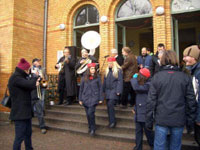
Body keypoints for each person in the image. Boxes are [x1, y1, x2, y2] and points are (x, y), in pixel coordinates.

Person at [146, 50, 197, 150]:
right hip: (178, 119)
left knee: (160, 147)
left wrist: (149, 121)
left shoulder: (157, 77)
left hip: (162, 118)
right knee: (175, 147)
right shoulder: (185, 77)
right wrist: (190, 122)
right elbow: (191, 101)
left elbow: (151, 101)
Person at [8, 58, 39, 150]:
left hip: (25, 112)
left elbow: (28, 87)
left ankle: (29, 148)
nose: (30, 70)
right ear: (25, 69)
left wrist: (34, 81)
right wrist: (34, 76)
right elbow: (29, 85)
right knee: (19, 136)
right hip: (20, 112)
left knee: (28, 133)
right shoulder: (16, 78)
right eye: (29, 69)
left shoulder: (21, 77)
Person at [130, 68, 154, 150]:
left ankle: (153, 145)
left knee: (148, 131)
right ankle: (138, 147)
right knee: (138, 131)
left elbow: (136, 87)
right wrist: (135, 107)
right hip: (139, 110)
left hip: (145, 111)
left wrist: (133, 78)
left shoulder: (149, 84)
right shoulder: (144, 83)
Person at [79, 63, 104, 136]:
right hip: (85, 98)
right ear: (88, 69)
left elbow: (100, 88)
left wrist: (100, 98)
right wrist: (80, 99)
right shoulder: (84, 78)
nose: (93, 70)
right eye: (92, 68)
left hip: (94, 98)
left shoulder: (97, 77)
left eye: (94, 69)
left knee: (91, 113)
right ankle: (90, 127)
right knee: (87, 114)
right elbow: (81, 89)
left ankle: (93, 128)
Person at [183, 45, 200, 149]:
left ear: (194, 57)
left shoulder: (198, 73)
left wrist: (198, 118)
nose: (184, 58)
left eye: (186, 56)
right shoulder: (193, 71)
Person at [103, 57, 123, 128]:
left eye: (111, 63)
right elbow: (105, 81)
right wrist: (103, 90)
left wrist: (118, 91)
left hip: (114, 90)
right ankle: (111, 121)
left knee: (111, 105)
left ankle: (113, 122)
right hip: (108, 91)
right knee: (108, 106)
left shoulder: (118, 70)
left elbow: (120, 81)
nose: (109, 64)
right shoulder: (107, 70)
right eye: (108, 63)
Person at [30, 58, 47, 134]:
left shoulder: (41, 69)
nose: (39, 62)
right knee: (29, 112)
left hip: (39, 92)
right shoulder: (30, 70)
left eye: (39, 61)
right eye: (37, 61)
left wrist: (45, 84)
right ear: (34, 63)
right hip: (31, 93)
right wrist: (34, 81)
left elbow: (44, 79)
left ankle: (42, 126)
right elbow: (27, 80)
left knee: (40, 111)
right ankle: (28, 128)